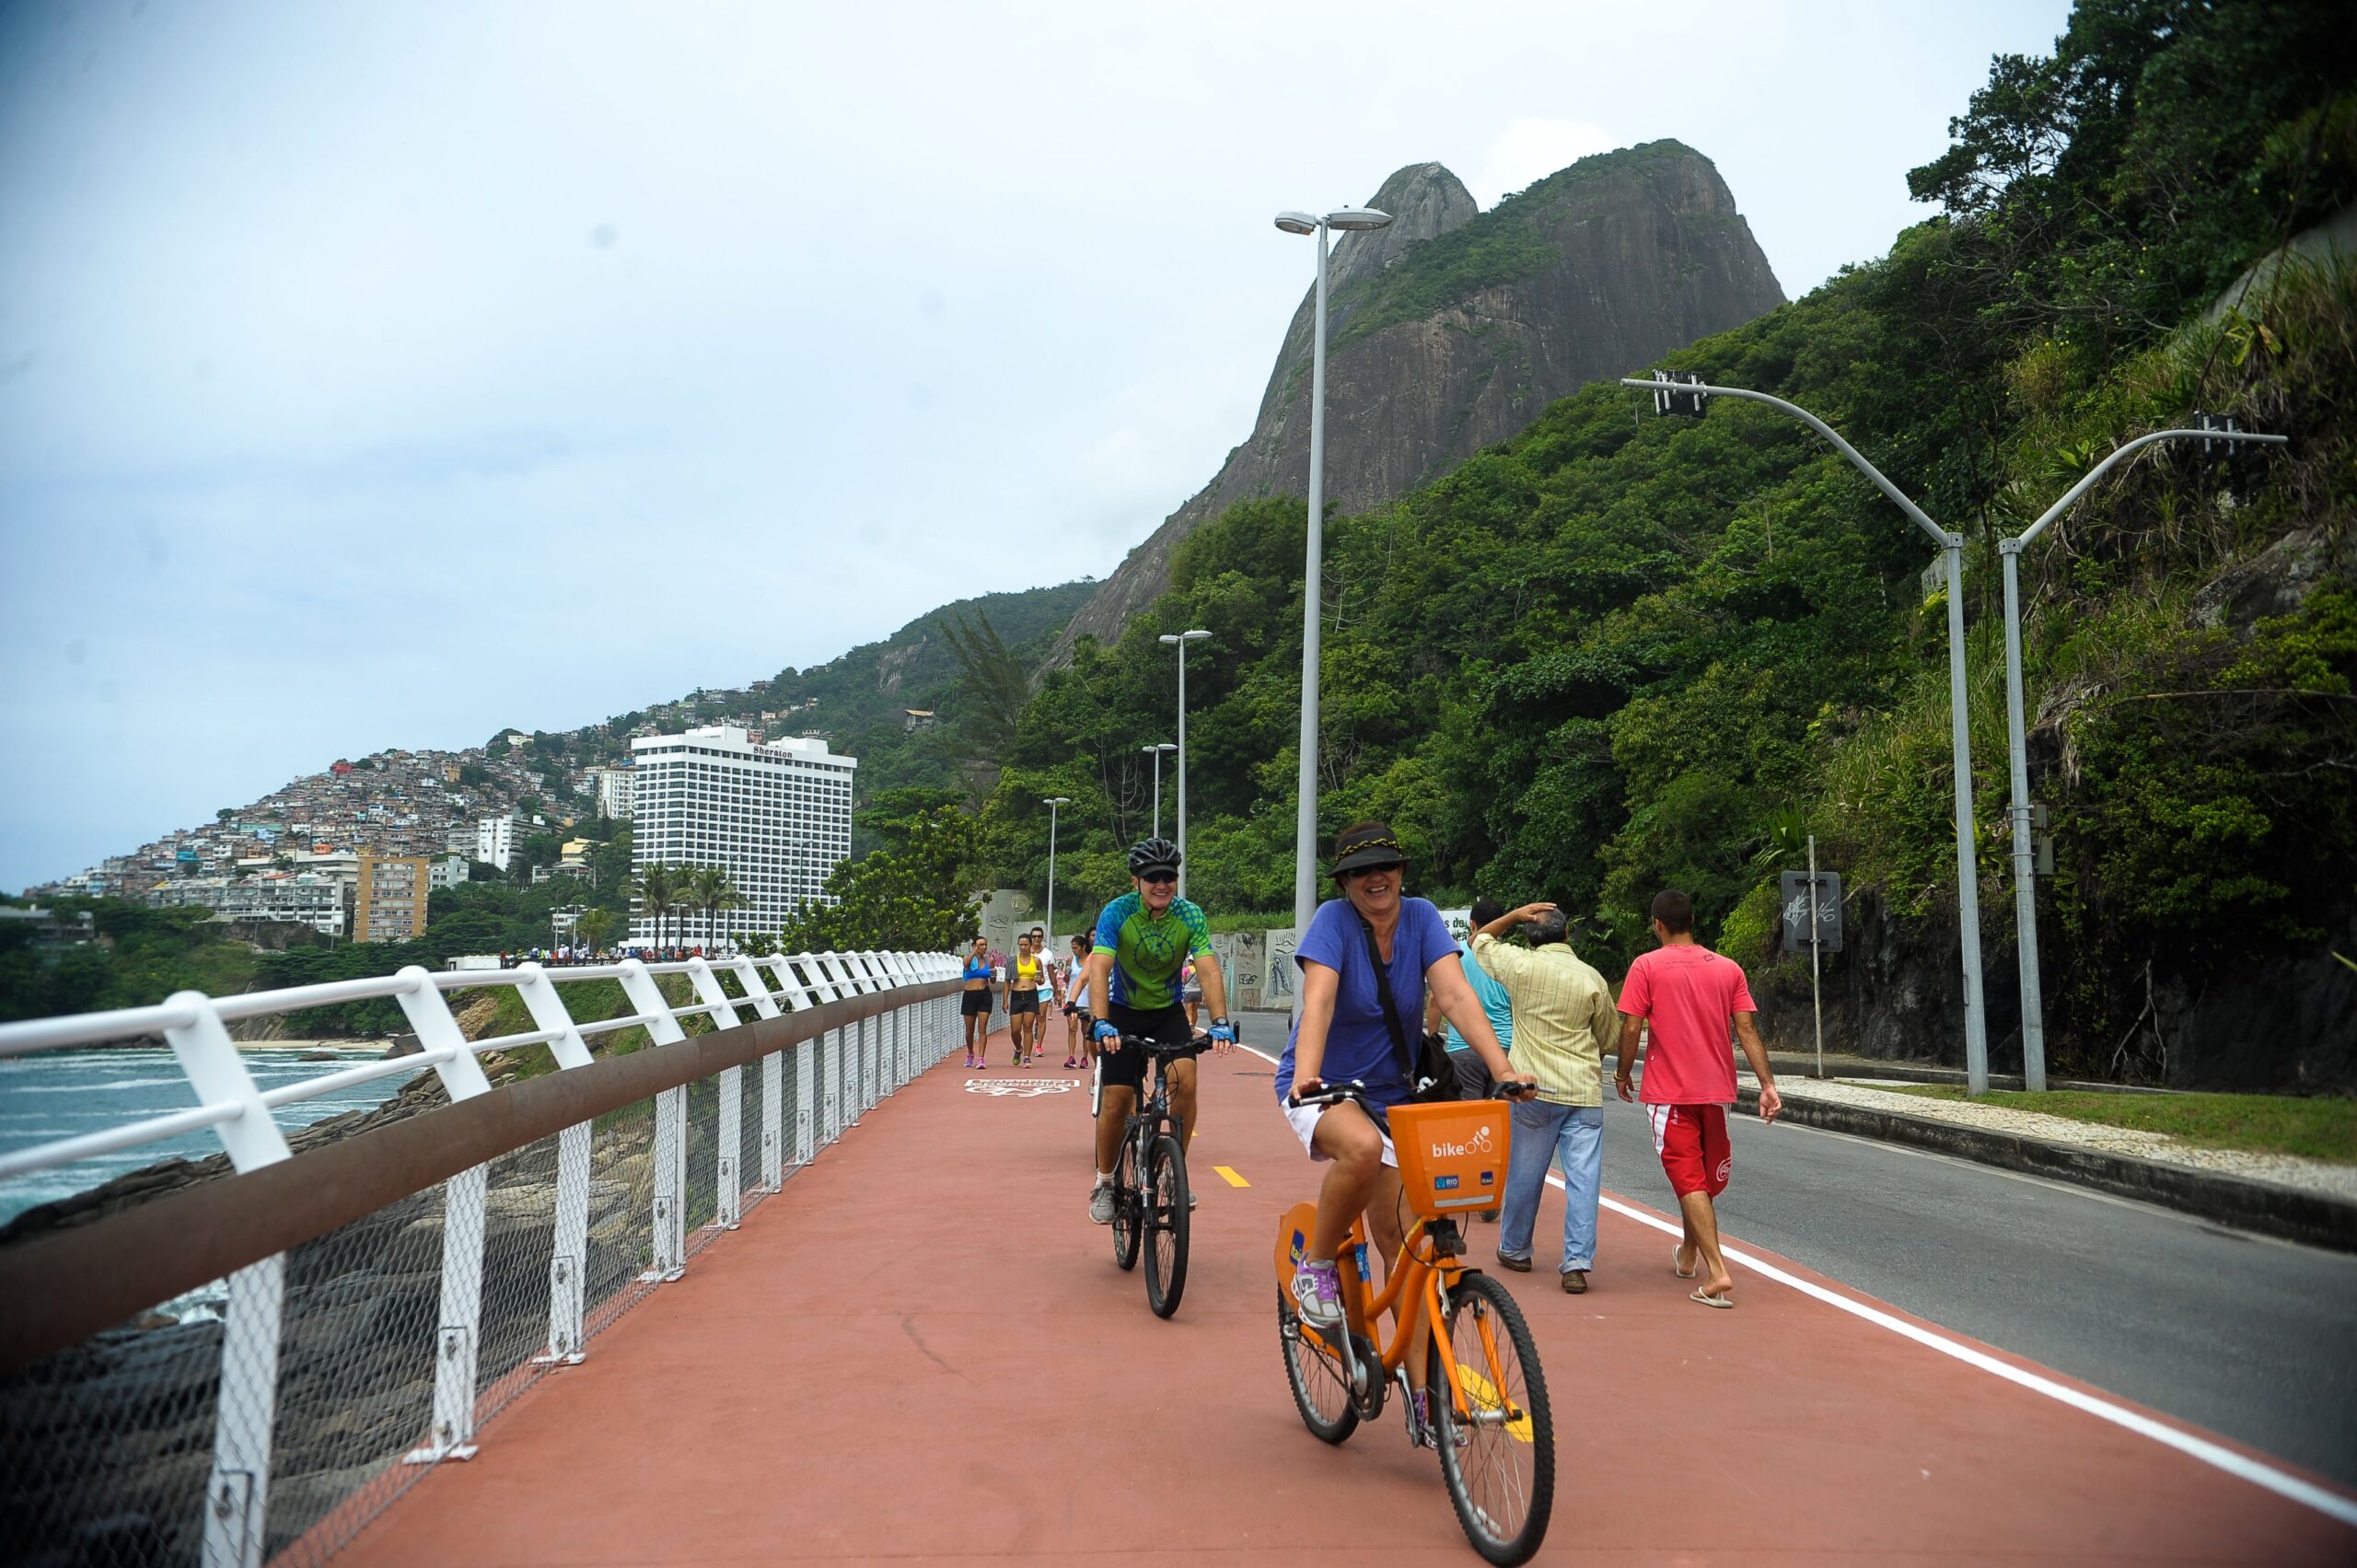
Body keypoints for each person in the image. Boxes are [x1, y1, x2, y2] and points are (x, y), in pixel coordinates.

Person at [1278, 821, 1532, 1448]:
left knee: (1409, 1247)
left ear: (1401, 872)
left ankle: (1424, 1398)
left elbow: (1454, 993)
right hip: (1327, 1086)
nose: (1376, 877)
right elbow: (1320, 1002)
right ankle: (1315, 1268)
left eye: (1386, 865)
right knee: (1360, 1149)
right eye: (1362, 870)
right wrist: (1308, 1074)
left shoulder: (1419, 919)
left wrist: (1502, 1069)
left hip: (1395, 1095)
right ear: (1344, 882)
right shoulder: (1332, 925)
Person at [1612, 889, 1783, 1308]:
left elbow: (1632, 1029)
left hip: (1669, 1094)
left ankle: (1718, 1271)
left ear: (1657, 925)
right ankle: (1688, 1255)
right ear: (1693, 922)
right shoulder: (1727, 968)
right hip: (1717, 1091)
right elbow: (1746, 1030)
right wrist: (1767, 1085)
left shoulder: (1646, 966)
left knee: (1689, 1180)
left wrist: (1621, 1073)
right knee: (1702, 1180)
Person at [1470, 900, 1621, 1294]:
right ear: (1568, 933)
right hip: (1584, 1092)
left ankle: (1516, 1249)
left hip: (1533, 1090)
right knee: (1584, 1181)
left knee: (1525, 1172)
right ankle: (1576, 1262)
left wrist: (1512, 916)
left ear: (1530, 936)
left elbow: (1479, 941)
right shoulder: (1592, 978)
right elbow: (1608, 1036)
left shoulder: (1520, 965)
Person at [1083, 838, 1235, 1223]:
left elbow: (1207, 967)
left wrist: (1219, 1022)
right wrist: (1101, 1021)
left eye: (1169, 876)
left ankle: (1171, 1173)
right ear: (1136, 880)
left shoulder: (1190, 915)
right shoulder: (1117, 913)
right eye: (1153, 877)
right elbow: (1099, 968)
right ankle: (1104, 1181)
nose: (1162, 884)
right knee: (1116, 1099)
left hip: (1167, 1012)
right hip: (1122, 1012)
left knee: (1186, 1078)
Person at [1005, 932, 1046, 1068]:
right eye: (1021, 945)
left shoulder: (1036, 961)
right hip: (1017, 995)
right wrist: (1005, 999)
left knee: (1028, 1026)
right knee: (1015, 1030)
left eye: (1026, 945)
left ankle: (1027, 1057)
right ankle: (1018, 1048)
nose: (1023, 947)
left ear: (1030, 945)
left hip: (1031, 995)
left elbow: (1041, 980)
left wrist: (1039, 980)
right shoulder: (1012, 960)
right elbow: (1007, 981)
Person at [959, 936, 994, 1069]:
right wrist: (975, 951)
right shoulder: (969, 959)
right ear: (974, 946)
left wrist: (994, 975)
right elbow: (965, 964)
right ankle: (970, 1053)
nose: (984, 947)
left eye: (985, 945)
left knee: (982, 1028)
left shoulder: (989, 961)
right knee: (969, 1030)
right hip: (970, 995)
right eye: (980, 945)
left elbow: (993, 981)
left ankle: (981, 1058)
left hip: (984, 994)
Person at [1062, 932, 1093, 1070]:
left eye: (1076, 948)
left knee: (1086, 1030)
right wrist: (1067, 974)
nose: (1074, 951)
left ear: (1083, 947)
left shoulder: (1091, 960)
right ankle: (1071, 1056)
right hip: (1073, 998)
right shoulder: (1070, 960)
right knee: (1071, 1029)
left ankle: (1085, 1058)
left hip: (1087, 999)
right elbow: (1067, 980)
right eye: (1072, 948)